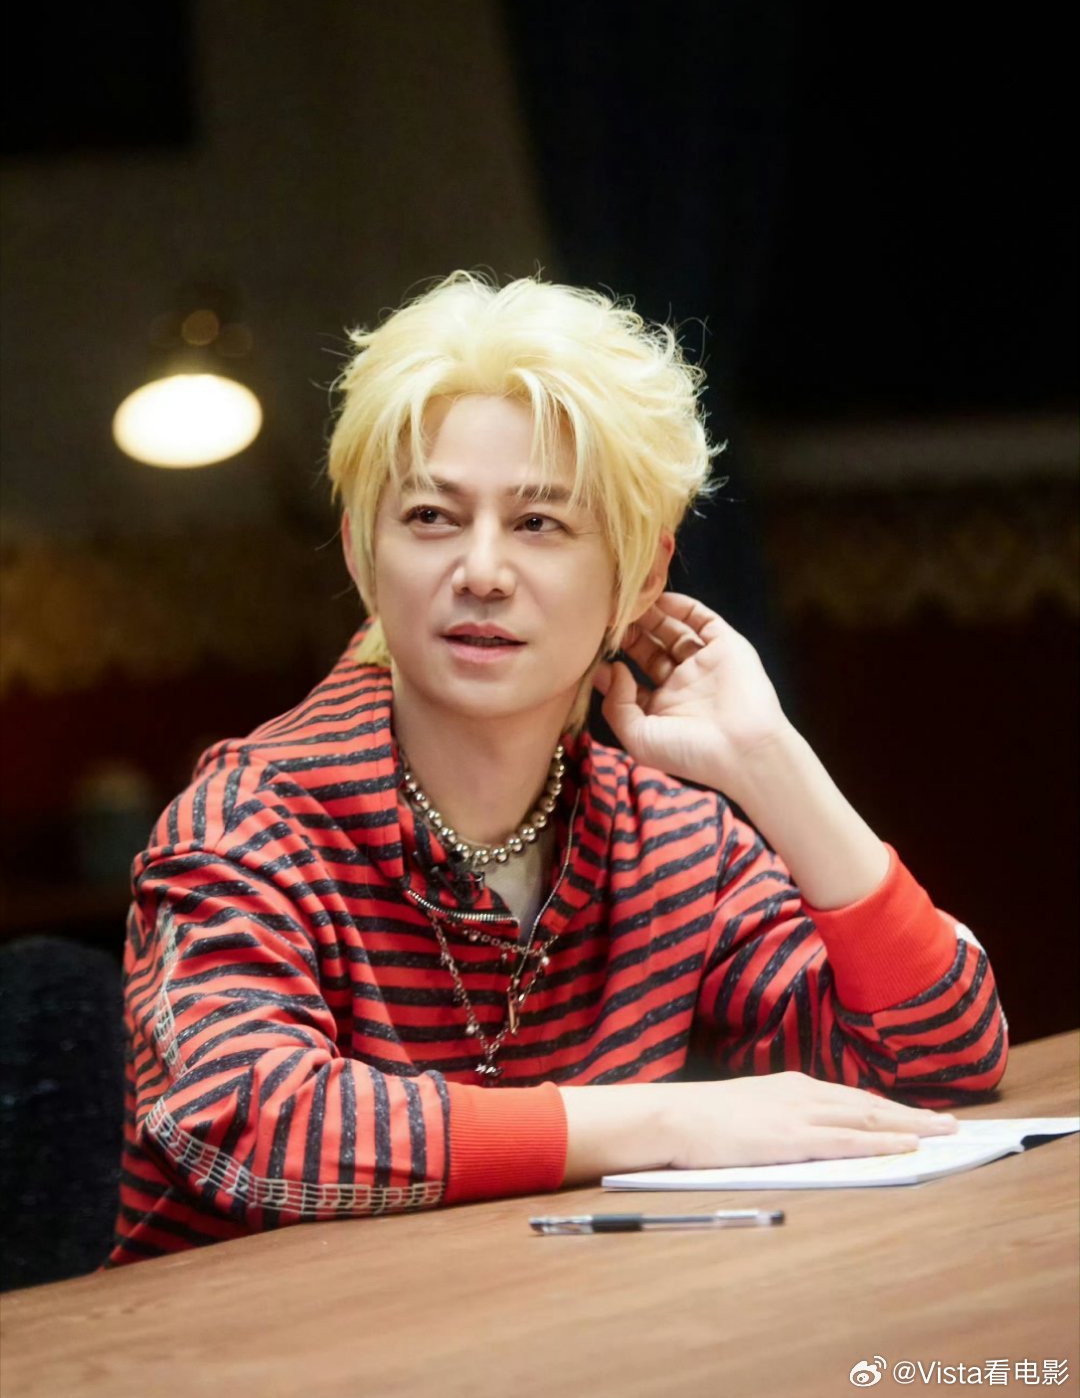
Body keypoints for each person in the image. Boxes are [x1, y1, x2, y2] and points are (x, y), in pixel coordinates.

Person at [108, 272, 1007, 1265]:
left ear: (642, 573)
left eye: (541, 523)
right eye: (431, 517)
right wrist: (665, 1122)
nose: (483, 572)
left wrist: (771, 761)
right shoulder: (246, 823)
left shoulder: (669, 839)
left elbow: (942, 1056)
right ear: (362, 555)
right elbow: (243, 1121)